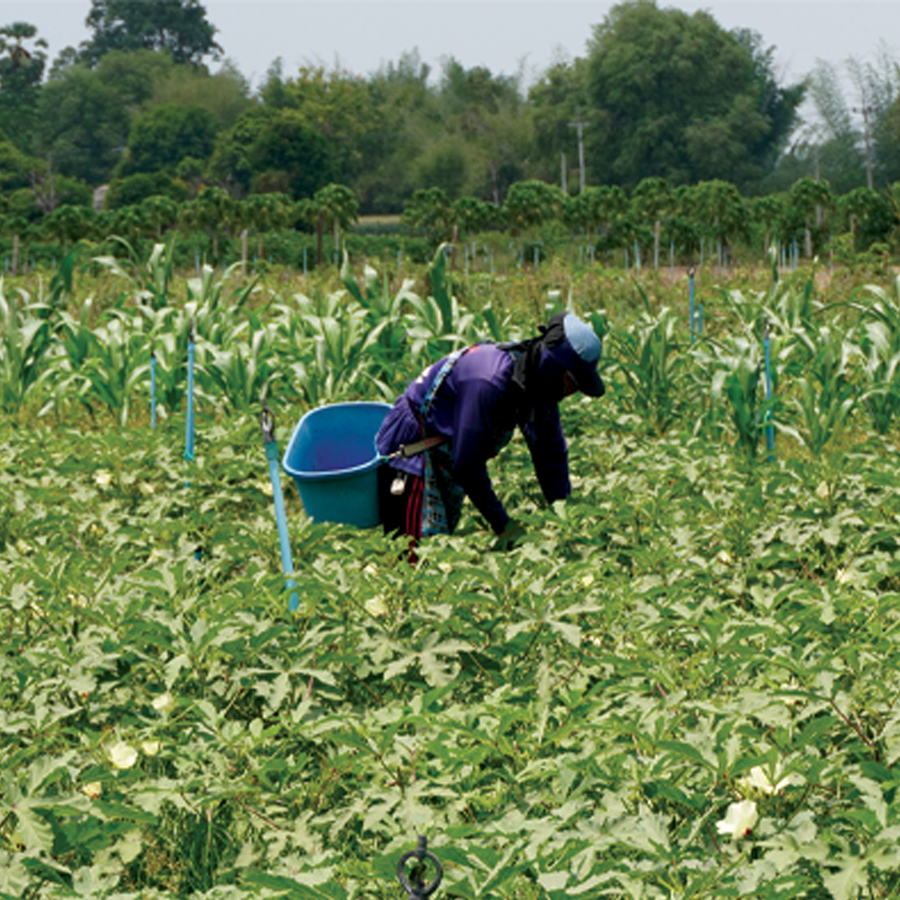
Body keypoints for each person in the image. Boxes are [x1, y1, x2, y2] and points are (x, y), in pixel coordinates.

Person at [375, 311, 605, 544]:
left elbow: (550, 454)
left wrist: (566, 520)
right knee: (415, 554)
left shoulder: (540, 386)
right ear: (554, 365)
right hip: (415, 451)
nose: (571, 391)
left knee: (439, 545)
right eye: (571, 381)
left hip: (449, 455)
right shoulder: (490, 380)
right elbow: (467, 462)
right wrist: (502, 524)